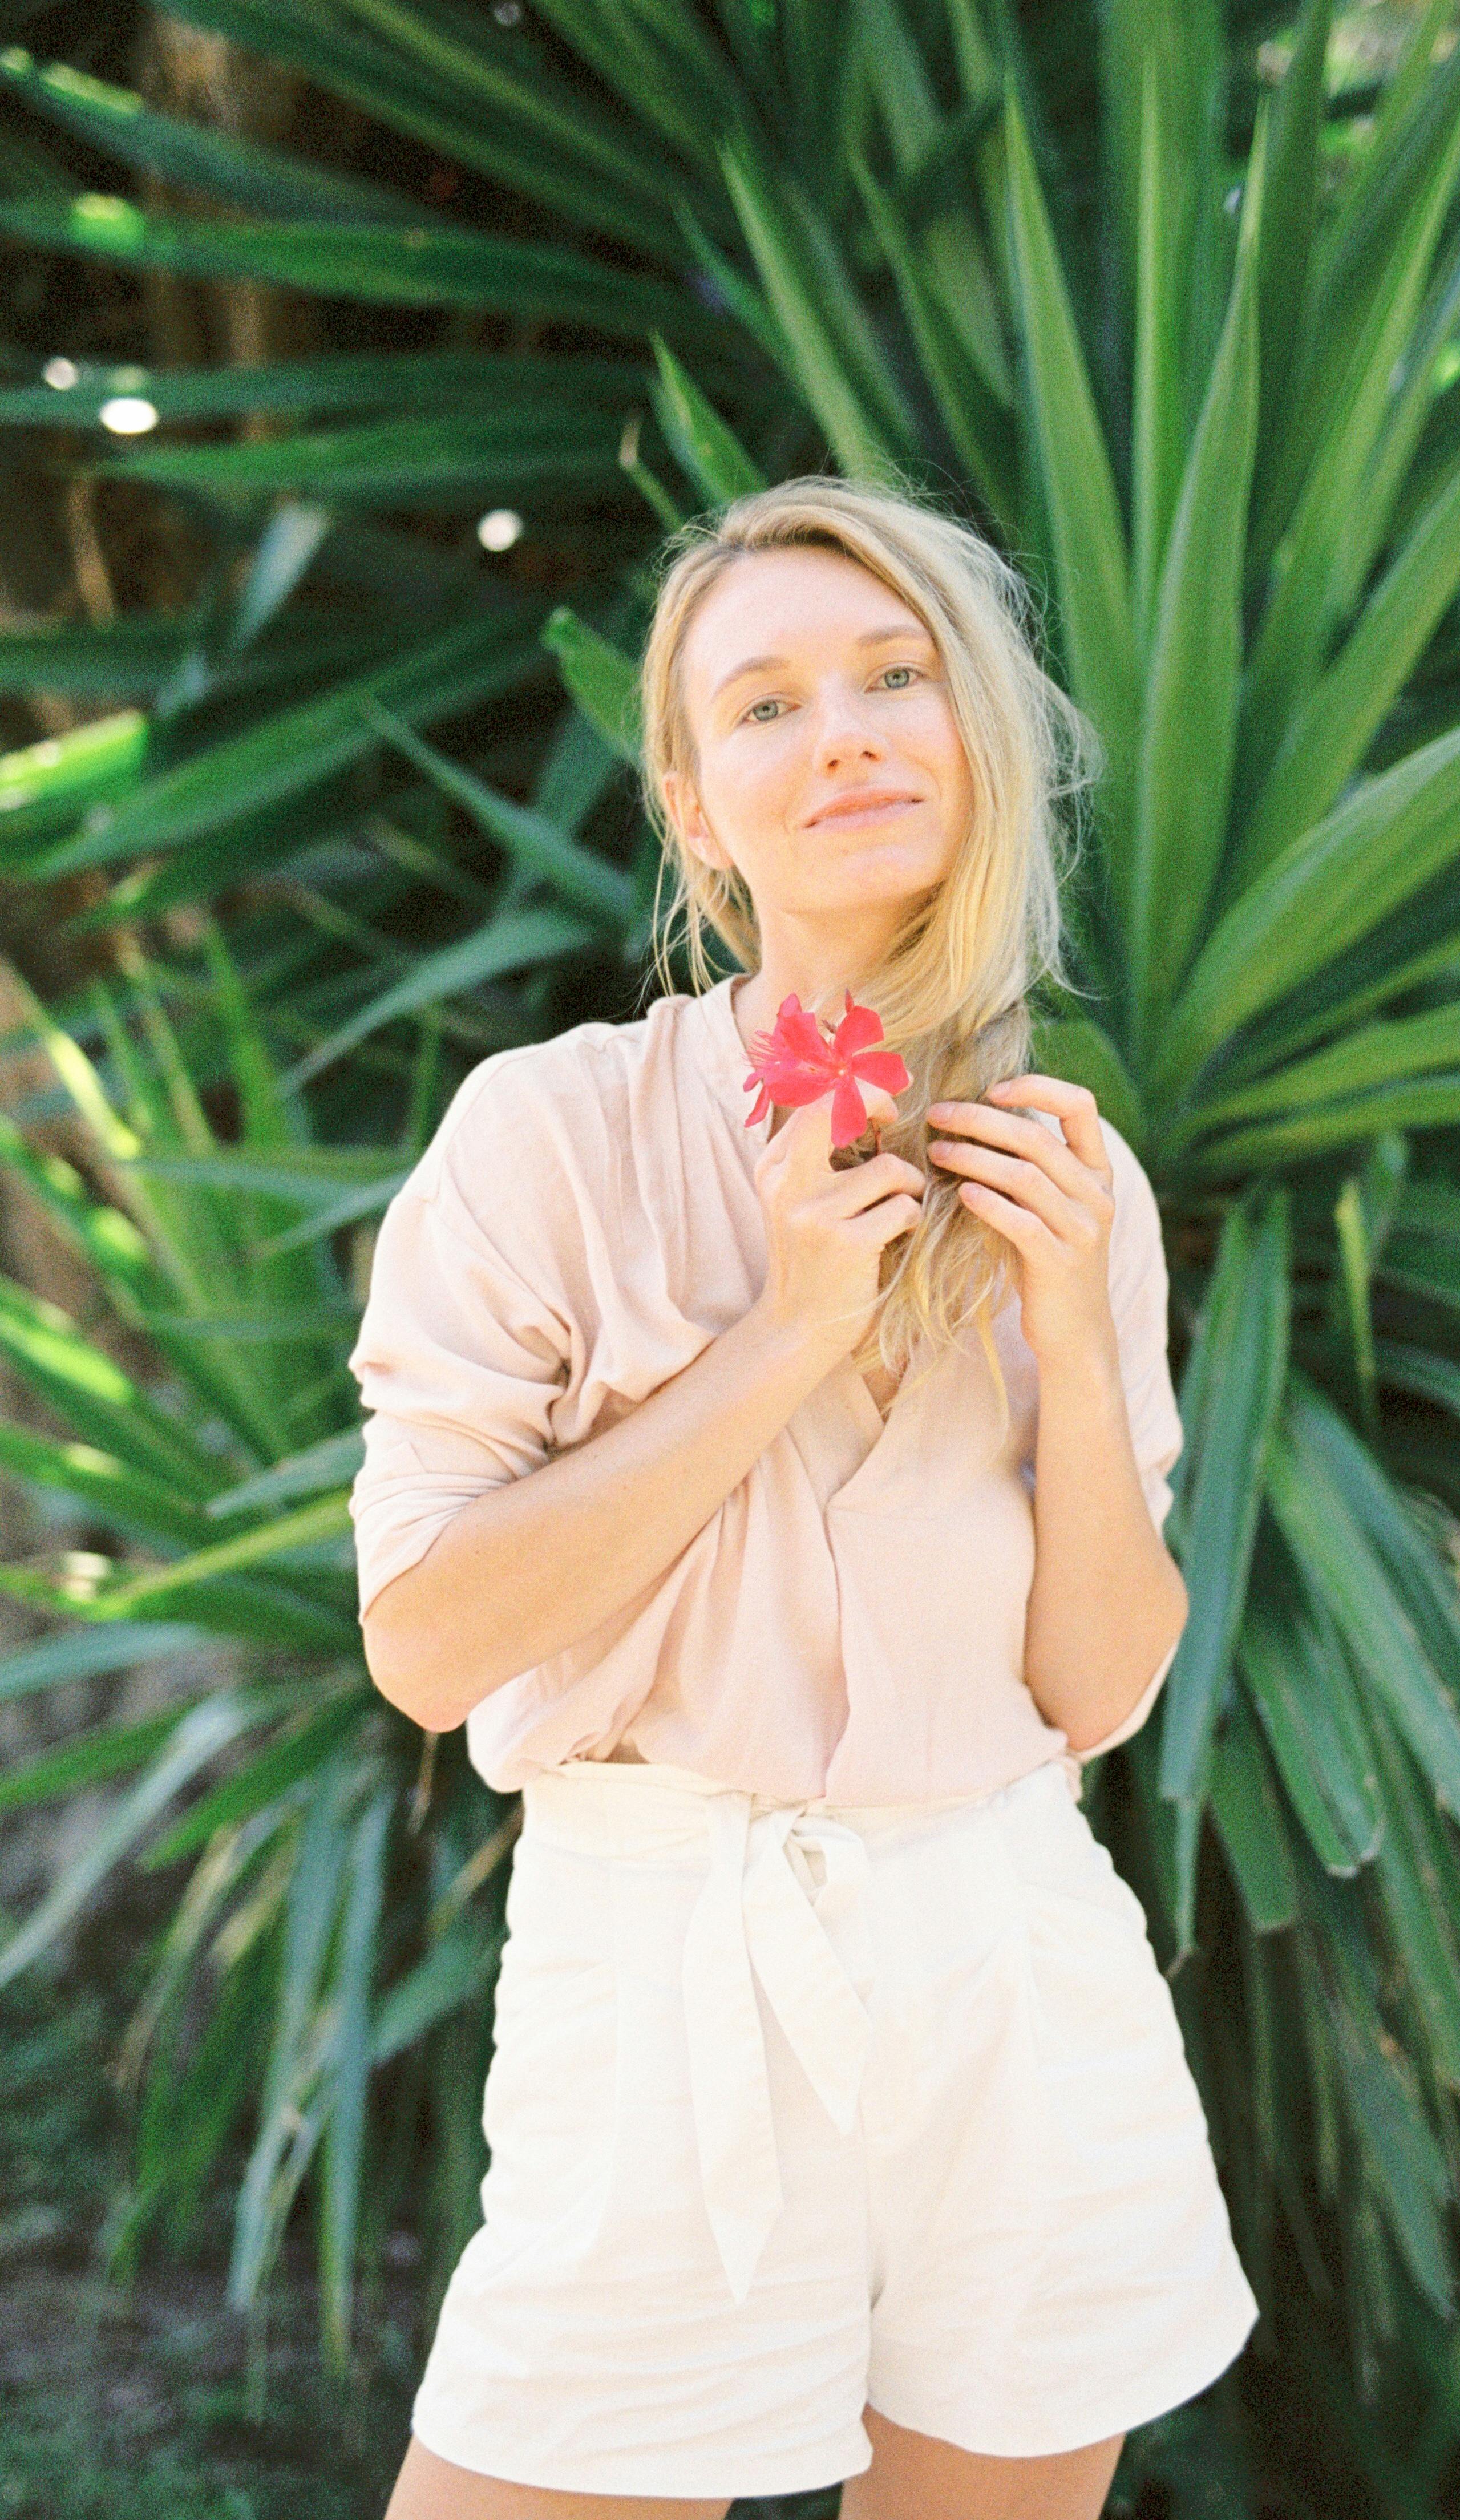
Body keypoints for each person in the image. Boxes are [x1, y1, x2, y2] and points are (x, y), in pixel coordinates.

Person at [352, 473, 1258, 2520]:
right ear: (693, 808)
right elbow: (423, 1643)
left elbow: (1101, 1687)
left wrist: (1075, 1329)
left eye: (892, 673)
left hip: (1008, 1963)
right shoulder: (550, 1140)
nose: (839, 729)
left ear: (976, 739)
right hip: (672, 1969)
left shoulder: (1069, 1176)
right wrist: (778, 1336)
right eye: (762, 705)